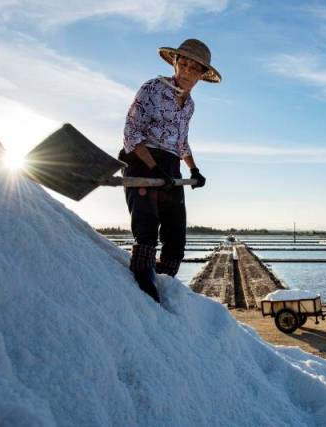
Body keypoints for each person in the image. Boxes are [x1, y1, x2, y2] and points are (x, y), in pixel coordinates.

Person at [119, 39, 221, 303]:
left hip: (171, 166)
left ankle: (164, 286)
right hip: (141, 160)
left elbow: (181, 142)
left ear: (201, 74)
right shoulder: (151, 89)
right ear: (175, 63)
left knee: (176, 234)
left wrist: (194, 169)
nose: (186, 72)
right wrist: (153, 169)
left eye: (194, 68)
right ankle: (143, 284)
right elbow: (131, 132)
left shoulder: (190, 105)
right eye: (183, 64)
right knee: (147, 226)